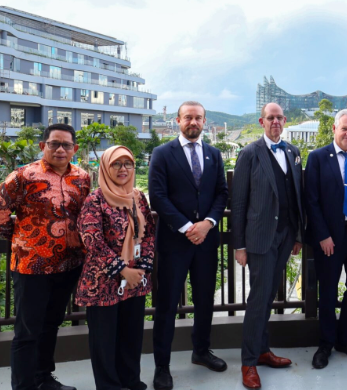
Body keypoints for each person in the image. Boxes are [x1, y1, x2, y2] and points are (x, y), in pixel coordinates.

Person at [0, 123, 90, 390]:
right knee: (27, 331)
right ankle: (24, 386)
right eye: (54, 143)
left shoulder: (82, 177)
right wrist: (24, 238)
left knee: (51, 324)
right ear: (43, 146)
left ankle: (43, 378)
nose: (60, 149)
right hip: (31, 266)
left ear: (74, 149)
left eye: (66, 145)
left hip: (68, 265)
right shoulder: (22, 176)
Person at [148, 101, 229, 390]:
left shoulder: (214, 154)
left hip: (206, 242)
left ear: (204, 121)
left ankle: (201, 351)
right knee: (167, 304)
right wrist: (186, 227)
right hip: (174, 242)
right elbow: (157, 196)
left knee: (205, 299)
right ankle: (162, 366)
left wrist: (207, 223)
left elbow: (222, 193)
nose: (193, 122)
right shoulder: (161, 153)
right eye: (188, 117)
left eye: (198, 118)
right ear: (178, 121)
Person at [231, 102, 303, 389]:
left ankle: (262, 351)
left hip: (285, 235)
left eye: (279, 118)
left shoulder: (293, 152)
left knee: (269, 295)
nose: (275, 122)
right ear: (262, 121)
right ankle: (248, 362)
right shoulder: (249, 153)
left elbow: (296, 196)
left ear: (285, 121)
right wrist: (239, 245)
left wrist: (297, 234)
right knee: (259, 299)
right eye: (270, 118)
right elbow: (238, 203)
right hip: (260, 237)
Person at [75, 146, 155, 390]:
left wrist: (141, 267)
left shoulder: (138, 197)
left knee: (131, 335)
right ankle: (109, 385)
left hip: (135, 281)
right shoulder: (95, 200)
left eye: (128, 164)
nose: (123, 169)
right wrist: (123, 270)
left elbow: (149, 233)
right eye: (116, 164)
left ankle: (130, 379)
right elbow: (92, 241)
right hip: (103, 282)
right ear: (105, 167)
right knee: (104, 339)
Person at [305, 109, 347, 369]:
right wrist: (322, 235)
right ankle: (325, 343)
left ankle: (345, 340)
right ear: (334, 129)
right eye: (344, 128)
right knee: (329, 291)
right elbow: (311, 200)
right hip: (330, 238)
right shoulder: (318, 157)